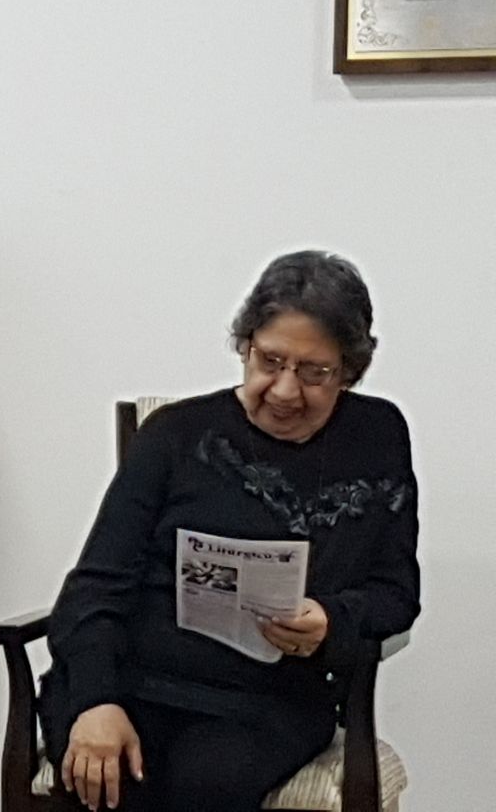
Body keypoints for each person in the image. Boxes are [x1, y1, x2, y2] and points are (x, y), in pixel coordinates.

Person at [38, 251, 420, 812]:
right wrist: (96, 701)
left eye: (314, 372)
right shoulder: (174, 434)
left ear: (349, 371)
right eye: (270, 360)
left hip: (269, 701)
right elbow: (96, 585)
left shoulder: (377, 436)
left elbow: (397, 593)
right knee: (108, 772)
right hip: (132, 679)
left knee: (207, 781)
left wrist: (332, 621)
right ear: (245, 347)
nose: (285, 390)